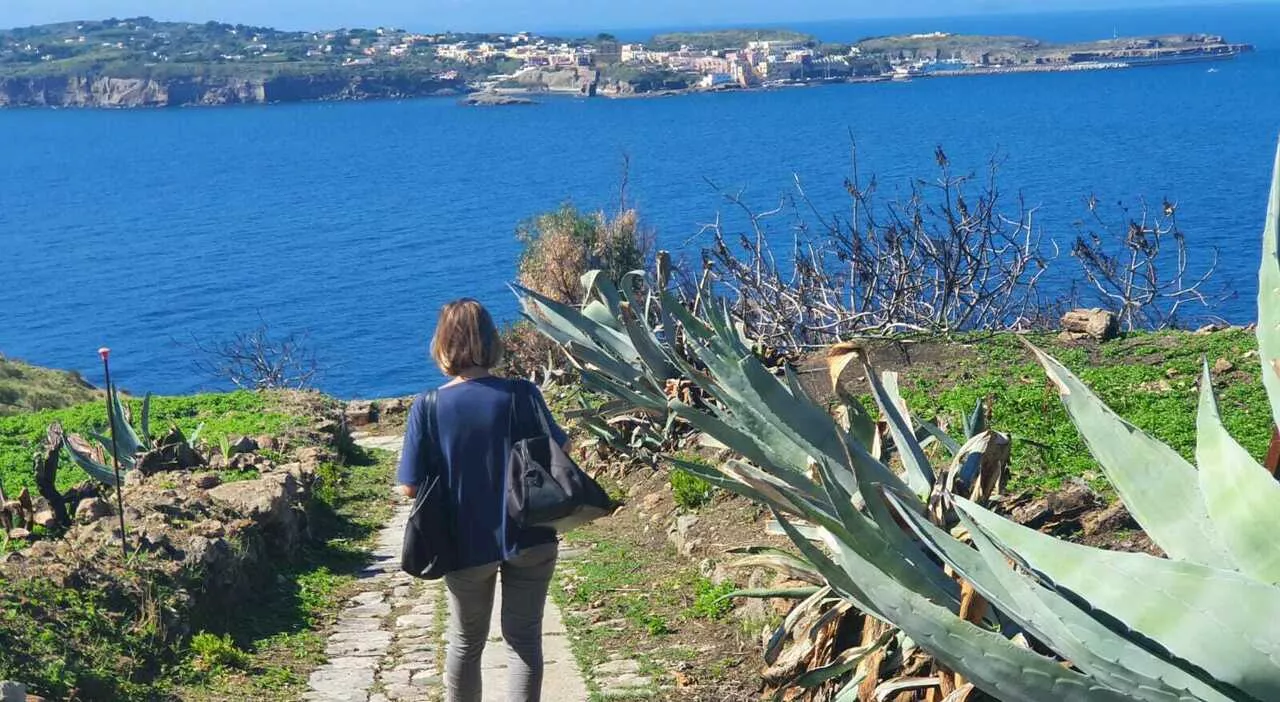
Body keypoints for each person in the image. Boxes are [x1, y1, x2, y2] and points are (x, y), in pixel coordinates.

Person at [396, 298, 569, 702]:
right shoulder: (523, 394)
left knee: (465, 643)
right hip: (531, 534)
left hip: (464, 542)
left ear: (442, 344)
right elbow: (562, 448)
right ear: (491, 341)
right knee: (524, 640)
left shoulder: (428, 406)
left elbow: (409, 486)